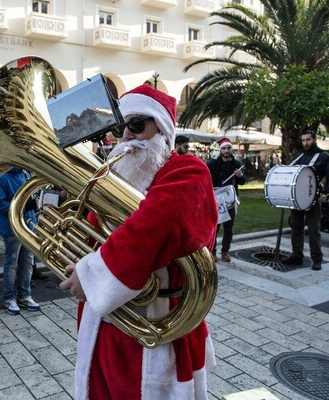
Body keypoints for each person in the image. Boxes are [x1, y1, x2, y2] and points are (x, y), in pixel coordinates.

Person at [59, 84, 217, 399]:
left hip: (156, 326)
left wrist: (90, 275)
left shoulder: (187, 170)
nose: (127, 137)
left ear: (164, 131)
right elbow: (94, 237)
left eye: (137, 125)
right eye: (121, 127)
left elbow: (158, 225)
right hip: (103, 325)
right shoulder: (114, 179)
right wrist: (72, 255)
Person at [286, 130, 329, 271]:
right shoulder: (299, 156)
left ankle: (317, 259)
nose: (305, 143)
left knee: (314, 230)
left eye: (308, 140)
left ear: (314, 140)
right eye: (303, 140)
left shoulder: (324, 156)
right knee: (296, 226)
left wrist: (326, 194)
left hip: (314, 197)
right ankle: (297, 255)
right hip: (297, 198)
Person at [0, 168, 41, 315]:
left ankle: (25, 295)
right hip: (12, 227)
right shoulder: (1, 178)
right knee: (12, 263)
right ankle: (9, 297)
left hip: (29, 224)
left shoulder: (26, 174)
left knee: (27, 262)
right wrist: (24, 206)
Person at [207, 138, 246, 262]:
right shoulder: (212, 164)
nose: (226, 150)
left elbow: (243, 182)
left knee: (229, 228)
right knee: (215, 227)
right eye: (224, 148)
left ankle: (225, 252)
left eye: (228, 148)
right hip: (216, 200)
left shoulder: (237, 164)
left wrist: (240, 176)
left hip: (231, 200)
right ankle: (212, 251)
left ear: (231, 149)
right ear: (220, 150)